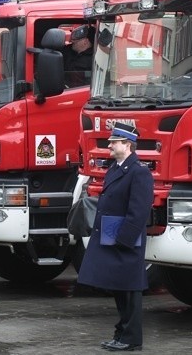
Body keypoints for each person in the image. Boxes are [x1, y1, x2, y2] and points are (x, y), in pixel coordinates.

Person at [77, 122, 154, 352]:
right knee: (119, 288)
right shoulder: (116, 168)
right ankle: (121, 333)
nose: (109, 144)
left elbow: (139, 211)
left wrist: (124, 239)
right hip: (113, 236)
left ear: (127, 145)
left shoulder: (139, 172)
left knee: (130, 290)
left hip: (126, 240)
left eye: (114, 141)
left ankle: (131, 338)